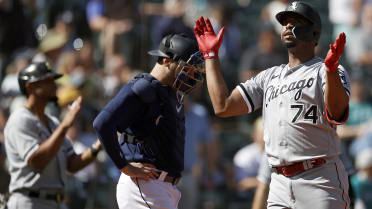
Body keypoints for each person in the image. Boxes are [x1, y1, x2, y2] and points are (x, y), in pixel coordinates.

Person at [193, 1, 351, 208]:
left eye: (295, 22)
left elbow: (337, 112)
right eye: (284, 22)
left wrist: (330, 71)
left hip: (319, 178)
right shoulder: (269, 77)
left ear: (314, 34)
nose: (286, 27)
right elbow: (223, 106)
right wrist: (211, 57)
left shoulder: (327, 70)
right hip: (278, 182)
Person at [93, 33, 205, 209]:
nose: (191, 74)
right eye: (187, 67)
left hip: (162, 188)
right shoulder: (144, 88)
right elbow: (102, 123)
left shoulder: (170, 93)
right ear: (167, 61)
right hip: (146, 187)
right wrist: (124, 166)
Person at [4, 62, 102, 209]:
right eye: (47, 81)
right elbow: (37, 162)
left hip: (56, 202)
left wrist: (99, 144)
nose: (54, 85)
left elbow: (72, 164)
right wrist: (65, 125)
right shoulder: (20, 119)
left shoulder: (53, 122)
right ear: (30, 87)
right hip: (30, 201)